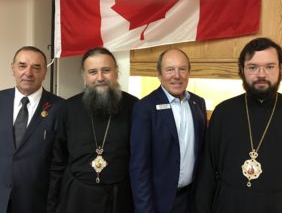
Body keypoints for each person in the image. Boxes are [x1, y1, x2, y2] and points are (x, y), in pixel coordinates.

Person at [194, 37, 282, 213]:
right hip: (229, 205)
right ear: (242, 70)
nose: (261, 74)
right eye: (253, 67)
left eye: (269, 66)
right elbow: (207, 175)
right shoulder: (223, 112)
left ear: (280, 68)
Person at [47, 47, 138, 213]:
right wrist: (52, 206)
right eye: (93, 72)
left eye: (106, 70)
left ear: (116, 72)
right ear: (84, 76)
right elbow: (58, 161)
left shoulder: (134, 106)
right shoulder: (68, 108)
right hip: (77, 198)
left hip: (120, 199)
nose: (100, 78)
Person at [130, 48, 207, 213]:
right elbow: (139, 167)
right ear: (159, 74)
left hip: (191, 200)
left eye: (182, 69)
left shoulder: (198, 104)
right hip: (159, 203)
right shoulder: (145, 108)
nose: (177, 75)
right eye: (170, 69)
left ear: (189, 72)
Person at [0, 46, 64, 213]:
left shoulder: (61, 108)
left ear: (45, 72)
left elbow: (61, 163)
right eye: (22, 66)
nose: (28, 73)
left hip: (37, 203)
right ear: (12, 68)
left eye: (36, 67)